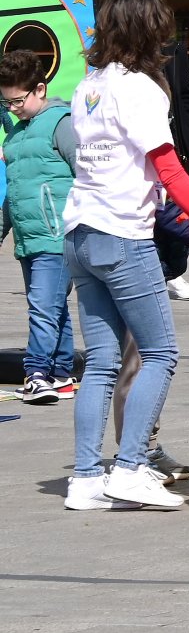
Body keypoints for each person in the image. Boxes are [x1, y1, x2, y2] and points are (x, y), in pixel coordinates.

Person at [63, 0, 189, 512]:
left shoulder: (88, 85)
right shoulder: (140, 90)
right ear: (150, 29)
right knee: (161, 352)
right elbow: (169, 169)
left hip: (79, 232)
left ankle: (86, 478)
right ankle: (131, 466)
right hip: (122, 234)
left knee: (102, 362)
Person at [1, 51, 78, 405]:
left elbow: (88, 174)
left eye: (18, 100)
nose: (13, 107)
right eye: (7, 102)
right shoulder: (14, 137)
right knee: (54, 307)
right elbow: (13, 193)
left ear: (40, 89)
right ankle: (62, 374)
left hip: (57, 235)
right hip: (28, 239)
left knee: (43, 306)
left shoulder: (62, 122)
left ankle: (35, 374)